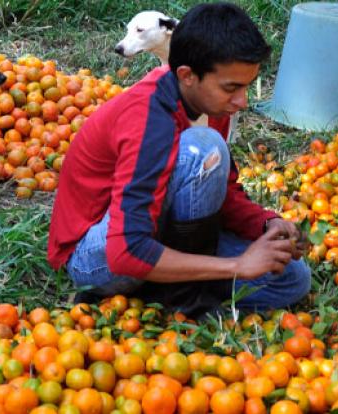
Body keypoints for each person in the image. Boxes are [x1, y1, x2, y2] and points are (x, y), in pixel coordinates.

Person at [47, 2, 310, 318]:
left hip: (157, 229)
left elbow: (220, 192)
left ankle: (163, 283)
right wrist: (238, 265)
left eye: (246, 86)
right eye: (232, 88)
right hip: (96, 256)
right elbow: (123, 251)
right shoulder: (147, 119)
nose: (242, 102)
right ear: (187, 75)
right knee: (203, 149)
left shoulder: (212, 106)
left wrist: (265, 222)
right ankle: (181, 294)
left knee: (291, 280)